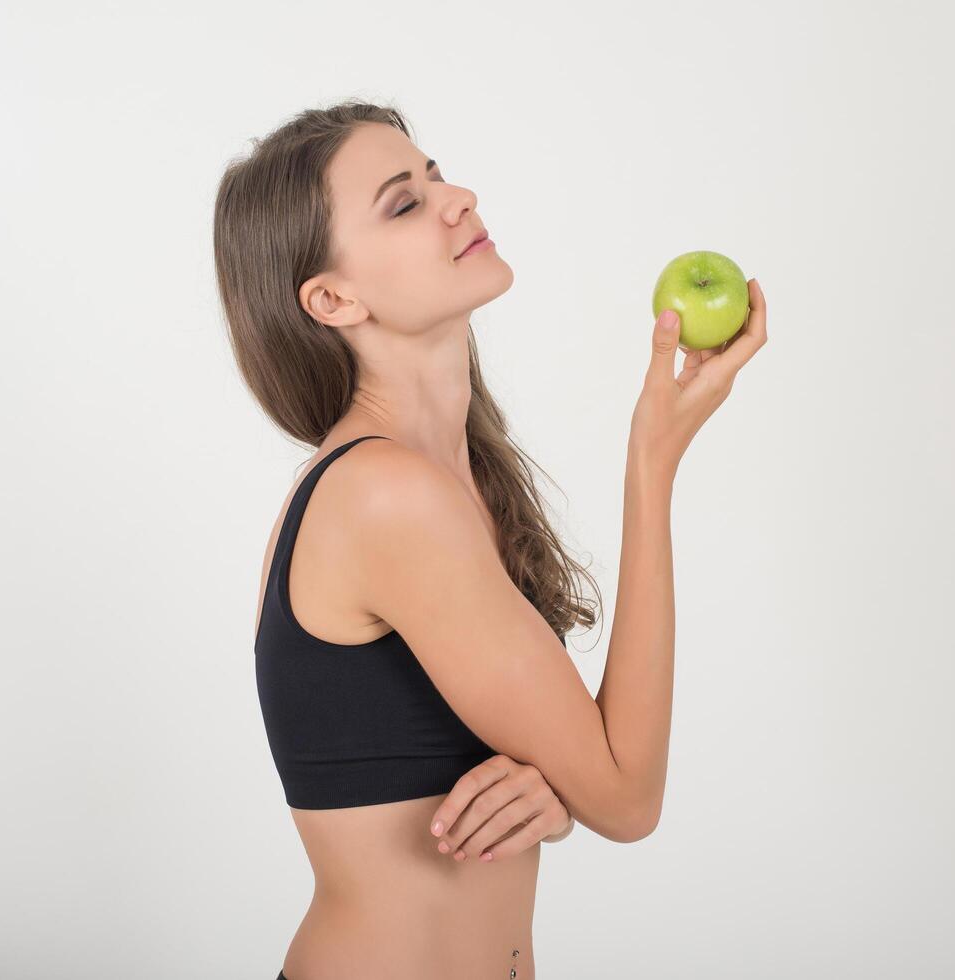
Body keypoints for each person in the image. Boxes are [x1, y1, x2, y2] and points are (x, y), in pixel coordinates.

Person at [212, 98, 767, 980]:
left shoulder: (449, 477)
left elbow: (588, 766)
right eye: (403, 202)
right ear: (331, 298)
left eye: (435, 174)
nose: (457, 196)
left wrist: (556, 786)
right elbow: (627, 795)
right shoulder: (384, 497)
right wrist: (651, 462)